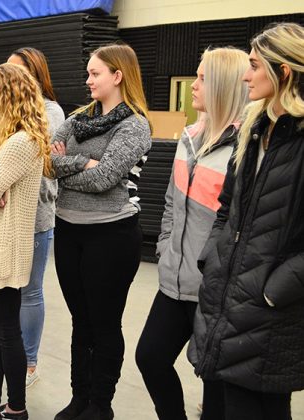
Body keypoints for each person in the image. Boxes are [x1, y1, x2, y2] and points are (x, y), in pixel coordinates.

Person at [189, 22, 304, 420]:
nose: (245, 75)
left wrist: (274, 289)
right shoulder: (254, 129)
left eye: (254, 65)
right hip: (229, 298)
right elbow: (227, 207)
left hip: (270, 309)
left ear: (283, 71)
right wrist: (213, 258)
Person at [134, 47, 249, 420]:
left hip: (214, 288)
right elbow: (170, 203)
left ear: (224, 86)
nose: (194, 85)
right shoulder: (188, 138)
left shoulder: (245, 148)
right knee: (150, 357)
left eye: (202, 78)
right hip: (174, 279)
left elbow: (240, 225)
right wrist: (167, 248)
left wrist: (216, 272)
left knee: (214, 382)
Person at [49, 43, 152, 420]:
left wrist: (69, 166)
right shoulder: (77, 119)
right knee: (81, 321)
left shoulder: (135, 125)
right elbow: (48, 162)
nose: (88, 79)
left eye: (95, 73)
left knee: (104, 323)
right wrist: (82, 162)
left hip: (110, 236)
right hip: (69, 231)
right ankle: (79, 397)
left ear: (117, 76)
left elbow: (106, 178)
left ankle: (100, 405)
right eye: (89, 73)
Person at [0, 47, 64, 387]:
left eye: (15, 72)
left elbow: (42, 156)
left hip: (33, 218)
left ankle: (27, 366)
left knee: (27, 296)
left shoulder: (49, 114)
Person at [0, 63, 52, 420]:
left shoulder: (20, 143)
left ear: (8, 95)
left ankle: (15, 409)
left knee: (6, 334)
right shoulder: (12, 138)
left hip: (4, 248)